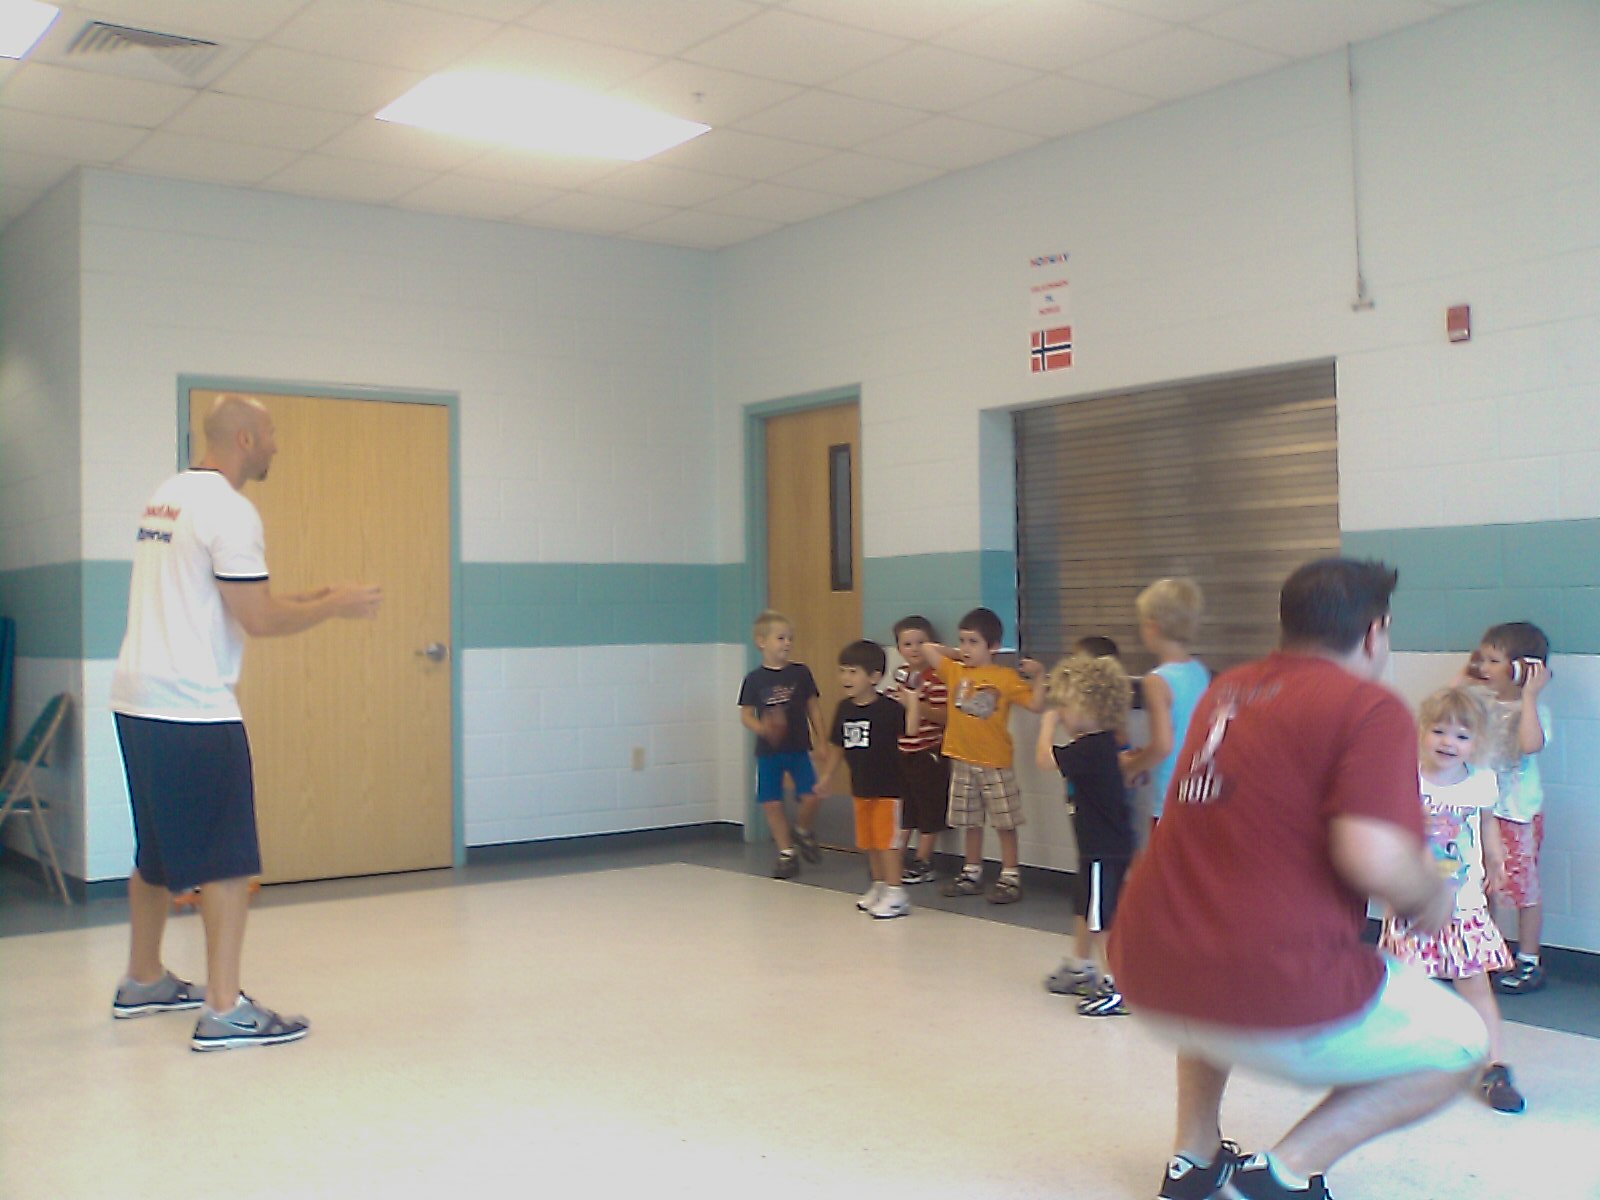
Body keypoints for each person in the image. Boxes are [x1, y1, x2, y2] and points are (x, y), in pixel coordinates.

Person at [1108, 558, 1487, 1200]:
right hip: (1271, 985)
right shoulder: (1368, 707)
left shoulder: (1228, 690)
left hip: (1146, 968)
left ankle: (1193, 1159)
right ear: (1375, 632)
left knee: (1216, 942)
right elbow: (1371, 856)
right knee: (1462, 1045)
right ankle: (1281, 1176)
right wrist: (1432, 895)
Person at [109, 394, 383, 1051]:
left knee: (155, 854)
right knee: (228, 862)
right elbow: (257, 620)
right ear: (244, 439)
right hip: (192, 706)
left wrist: (315, 596)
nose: (276, 444)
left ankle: (144, 979)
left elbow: (230, 600)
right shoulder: (230, 510)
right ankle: (225, 1010)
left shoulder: (168, 496)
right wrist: (335, 608)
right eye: (270, 432)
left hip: (138, 698)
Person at [1380, 686, 1525, 1114]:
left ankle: (1494, 1066)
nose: (1448, 742)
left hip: (1462, 903)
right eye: (1439, 731)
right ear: (1423, 731)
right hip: (1412, 902)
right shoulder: (1406, 777)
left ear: (1476, 742)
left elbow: (1486, 823)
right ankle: (1401, 1062)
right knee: (1407, 986)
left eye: (1462, 736)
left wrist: (1496, 859)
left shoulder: (1480, 782)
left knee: (1475, 985)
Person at [1035, 653, 1137, 1016]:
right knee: (1086, 907)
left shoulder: (1091, 747)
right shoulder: (1102, 743)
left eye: (1066, 706)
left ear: (1090, 707)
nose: (1061, 713)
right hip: (1098, 847)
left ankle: (1116, 986)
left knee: (1102, 920)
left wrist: (1046, 724)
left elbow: (1044, 760)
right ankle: (1082, 967)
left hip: (1102, 850)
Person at [922, 607, 1044, 904]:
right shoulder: (955, 671)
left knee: (1004, 822)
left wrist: (1040, 676)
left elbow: (1036, 705)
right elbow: (927, 649)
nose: (966, 648)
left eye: (973, 642)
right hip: (962, 760)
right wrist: (959, 653)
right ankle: (971, 871)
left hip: (994, 762)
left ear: (993, 646)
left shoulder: (1004, 677)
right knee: (970, 821)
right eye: (962, 641)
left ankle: (1010, 875)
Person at [1458, 622, 1553, 995]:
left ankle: (1528, 959)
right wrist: (1465, 675)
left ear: (1520, 667)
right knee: (1482, 883)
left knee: (1523, 888)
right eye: (1481, 659)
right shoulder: (1480, 702)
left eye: (1493, 660)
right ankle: (1490, 950)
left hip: (1517, 816)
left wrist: (1528, 695)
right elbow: (1445, 710)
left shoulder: (1533, 711)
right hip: (1483, 811)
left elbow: (1530, 745)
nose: (1484, 667)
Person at [816, 640, 912, 919]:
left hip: (888, 789)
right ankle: (879, 885)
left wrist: (913, 702)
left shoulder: (889, 709)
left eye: (853, 672)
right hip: (861, 787)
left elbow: (910, 730)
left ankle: (896, 892)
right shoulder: (843, 709)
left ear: (874, 676)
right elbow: (838, 746)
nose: (845, 678)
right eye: (842, 671)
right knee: (870, 842)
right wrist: (827, 776)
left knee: (887, 843)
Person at [737, 610, 825, 880]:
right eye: (781, 638)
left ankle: (802, 830)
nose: (787, 643)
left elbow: (813, 708)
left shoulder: (800, 673)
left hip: (798, 748)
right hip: (768, 752)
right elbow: (745, 715)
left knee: (811, 796)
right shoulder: (754, 679)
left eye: (790, 638)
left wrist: (821, 741)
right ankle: (786, 852)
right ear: (761, 641)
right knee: (771, 803)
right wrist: (762, 728)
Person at [1118, 578, 1209, 829]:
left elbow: (1163, 746)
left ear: (1152, 627)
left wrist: (1131, 768)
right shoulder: (1198, 671)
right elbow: (1183, 733)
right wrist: (1145, 755)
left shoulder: (1157, 681)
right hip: (1199, 791)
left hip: (1170, 798)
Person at [888, 616, 949, 886]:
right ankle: (896, 857)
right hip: (903, 752)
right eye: (907, 644)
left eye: (921, 643)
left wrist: (914, 703)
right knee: (907, 807)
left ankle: (923, 860)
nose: (914, 649)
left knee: (928, 807)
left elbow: (944, 716)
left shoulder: (937, 677)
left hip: (928, 752)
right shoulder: (902, 675)